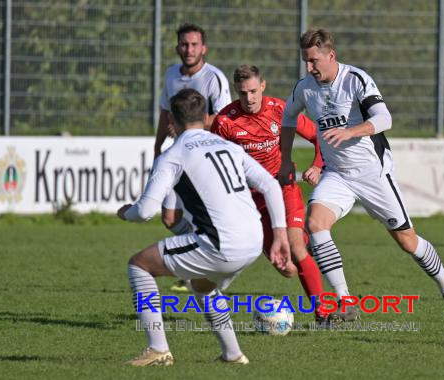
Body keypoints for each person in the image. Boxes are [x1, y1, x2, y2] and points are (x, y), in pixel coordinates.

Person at [277, 29, 444, 328]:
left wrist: (350, 131)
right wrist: (286, 159)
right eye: (305, 62)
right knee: (315, 224)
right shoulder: (305, 88)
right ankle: (346, 302)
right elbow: (288, 118)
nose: (310, 68)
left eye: (314, 61)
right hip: (337, 174)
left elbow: (384, 119)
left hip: (373, 175)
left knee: (408, 242)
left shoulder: (355, 79)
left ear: (331, 55)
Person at [118, 88, 289, 366]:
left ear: (171, 123)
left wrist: (126, 213)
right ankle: (233, 355)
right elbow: (270, 184)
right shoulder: (229, 147)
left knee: (139, 265)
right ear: (206, 117)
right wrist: (279, 234)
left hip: (221, 243)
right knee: (202, 286)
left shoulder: (173, 155)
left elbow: (147, 211)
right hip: (254, 241)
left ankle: (158, 349)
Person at [211, 65, 326, 321]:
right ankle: (310, 250)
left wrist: (318, 165)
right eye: (243, 93)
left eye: (253, 91)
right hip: (251, 202)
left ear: (263, 85)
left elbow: (319, 136)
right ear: (235, 92)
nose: (249, 98)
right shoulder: (225, 121)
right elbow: (214, 162)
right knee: (287, 268)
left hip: (283, 188)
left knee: (296, 249)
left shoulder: (281, 110)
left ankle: (324, 315)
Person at [153, 23, 232, 292]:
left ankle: (199, 269)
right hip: (177, 156)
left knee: (205, 217)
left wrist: (190, 123)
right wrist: (157, 149)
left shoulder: (213, 78)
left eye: (194, 44)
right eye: (184, 44)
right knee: (170, 217)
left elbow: (223, 119)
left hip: (203, 158)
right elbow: (165, 114)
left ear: (204, 48)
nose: (189, 49)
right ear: (177, 47)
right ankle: (196, 261)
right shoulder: (171, 75)